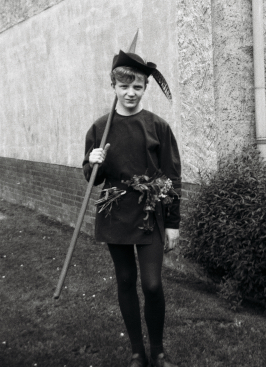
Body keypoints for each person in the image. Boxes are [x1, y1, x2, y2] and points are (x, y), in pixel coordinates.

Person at [83, 50, 181, 367]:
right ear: (113, 86)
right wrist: (92, 162)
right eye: (124, 86)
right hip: (115, 214)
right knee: (125, 280)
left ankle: (158, 351)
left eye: (137, 87)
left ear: (144, 88)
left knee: (151, 284)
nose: (130, 93)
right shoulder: (100, 129)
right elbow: (92, 179)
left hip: (150, 212)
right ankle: (138, 353)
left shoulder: (158, 127)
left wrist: (173, 223)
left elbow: (172, 176)